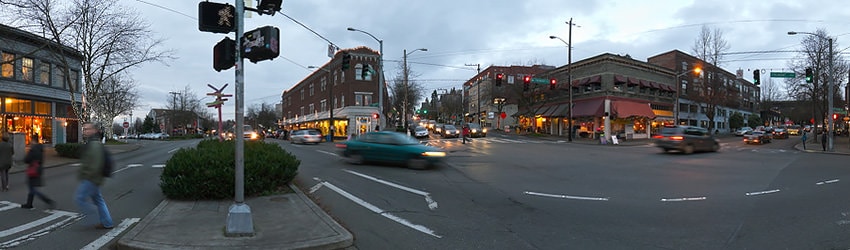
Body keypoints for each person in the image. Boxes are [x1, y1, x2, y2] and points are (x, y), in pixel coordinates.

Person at [75, 122, 114, 229]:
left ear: (94, 130)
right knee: (98, 200)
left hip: (91, 178)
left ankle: (93, 215)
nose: (85, 131)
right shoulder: (91, 143)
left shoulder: (94, 145)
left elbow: (96, 164)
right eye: (84, 129)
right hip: (94, 178)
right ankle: (107, 222)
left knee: (80, 198)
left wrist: (86, 175)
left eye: (87, 129)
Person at [21, 142, 55, 210]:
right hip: (38, 169)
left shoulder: (33, 149)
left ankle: (47, 200)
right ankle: (29, 203)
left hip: (32, 169)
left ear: (33, 141)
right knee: (32, 187)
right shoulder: (41, 149)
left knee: (32, 188)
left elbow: (26, 159)